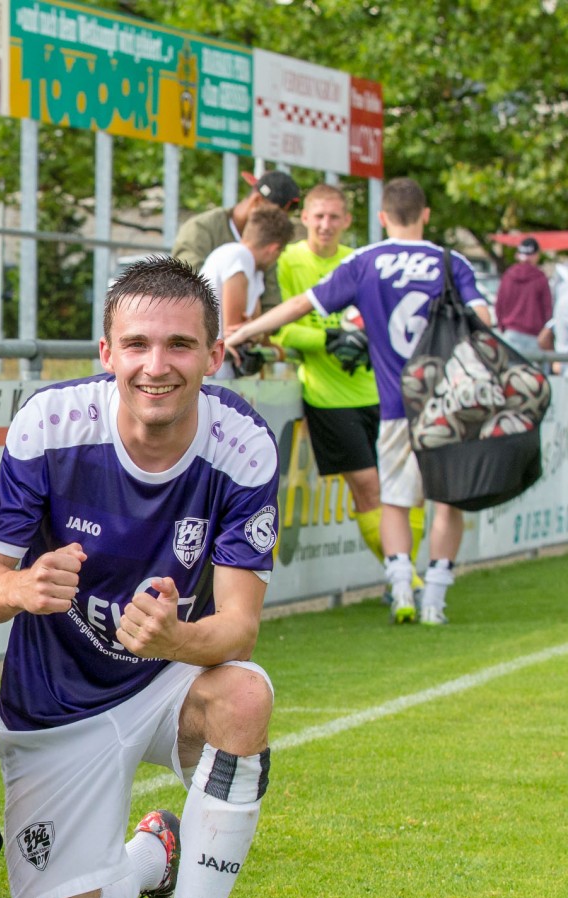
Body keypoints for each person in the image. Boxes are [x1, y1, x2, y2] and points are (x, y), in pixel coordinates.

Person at [0, 256, 280, 898]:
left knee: (245, 691)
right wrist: (23, 587)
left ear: (211, 353)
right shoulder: (51, 423)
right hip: (55, 702)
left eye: (178, 345)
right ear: (106, 353)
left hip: (164, 677)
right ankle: (152, 854)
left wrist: (176, 637)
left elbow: (238, 626)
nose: (156, 365)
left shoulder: (243, 443)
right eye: (136, 344)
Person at [229, 178, 493, 626]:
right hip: (445, 404)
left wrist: (243, 332)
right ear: (425, 215)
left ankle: (399, 585)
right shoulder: (451, 261)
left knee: (392, 500)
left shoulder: (366, 261)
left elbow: (299, 306)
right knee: (445, 502)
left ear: (383, 217)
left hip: (394, 404)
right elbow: (485, 322)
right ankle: (435, 597)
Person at [270, 184, 395, 569]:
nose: (325, 225)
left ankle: (403, 573)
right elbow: (279, 330)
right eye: (318, 216)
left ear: (347, 222)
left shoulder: (358, 261)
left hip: (378, 392)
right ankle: (403, 578)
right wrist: (328, 337)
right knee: (370, 488)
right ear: (304, 218)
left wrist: (367, 337)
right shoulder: (287, 261)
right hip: (328, 397)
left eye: (333, 217)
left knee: (398, 490)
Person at [172, 170, 301, 276]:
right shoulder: (200, 229)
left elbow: (270, 300)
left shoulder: (267, 244)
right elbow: (186, 285)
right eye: (276, 215)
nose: (279, 224)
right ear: (257, 201)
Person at [197, 202, 294, 338]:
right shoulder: (239, 256)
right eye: (280, 253)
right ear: (273, 249)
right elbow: (234, 330)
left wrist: (253, 332)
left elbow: (255, 328)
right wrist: (251, 332)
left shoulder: (256, 271)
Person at [496, 236, 552, 358]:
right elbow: (547, 309)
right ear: (536, 255)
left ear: (518, 254)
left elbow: (499, 305)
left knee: (511, 374)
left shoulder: (508, 276)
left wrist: (502, 327)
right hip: (533, 336)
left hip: (510, 334)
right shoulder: (540, 278)